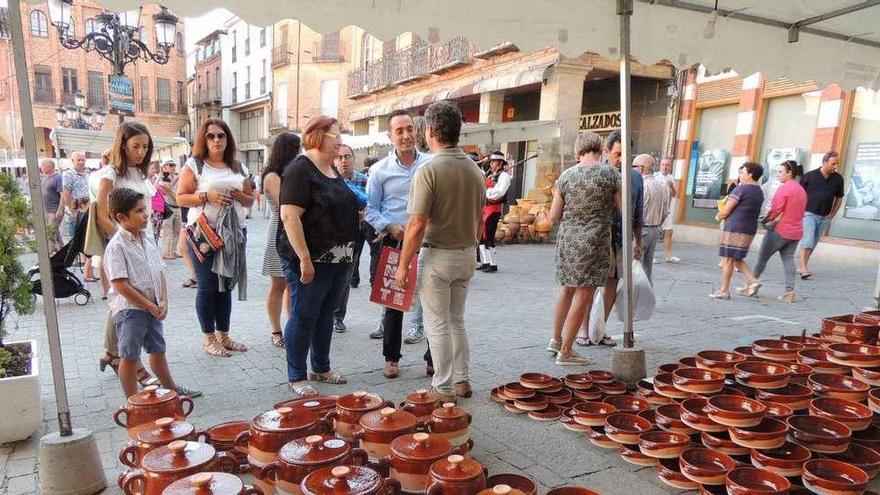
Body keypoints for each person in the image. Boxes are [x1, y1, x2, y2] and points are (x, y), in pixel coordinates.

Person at [395, 100, 485, 402]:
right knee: (456, 319)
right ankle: (462, 380)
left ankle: (444, 388)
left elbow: (417, 223)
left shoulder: (429, 169)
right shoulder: (475, 169)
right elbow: (479, 220)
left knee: (437, 323)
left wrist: (402, 265)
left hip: (439, 256)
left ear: (431, 130)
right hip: (467, 254)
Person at [278, 116, 357, 397]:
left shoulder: (332, 169)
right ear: (319, 136)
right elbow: (289, 216)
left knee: (325, 314)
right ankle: (297, 375)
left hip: (338, 259)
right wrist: (304, 258)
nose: (340, 140)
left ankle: (321, 367)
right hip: (311, 259)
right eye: (336, 135)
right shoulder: (300, 169)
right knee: (304, 314)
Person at [104, 187, 201, 399]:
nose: (146, 214)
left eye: (145, 209)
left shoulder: (147, 239)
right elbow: (120, 284)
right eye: (139, 211)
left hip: (153, 308)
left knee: (158, 351)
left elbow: (159, 272)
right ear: (121, 217)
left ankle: (171, 390)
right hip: (131, 311)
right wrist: (148, 305)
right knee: (129, 357)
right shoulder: (116, 246)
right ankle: (133, 402)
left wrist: (163, 301)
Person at [176, 118, 254, 357]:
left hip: (233, 235)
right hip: (204, 235)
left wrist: (239, 195)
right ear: (204, 139)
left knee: (225, 287)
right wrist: (206, 196)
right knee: (208, 287)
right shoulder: (195, 165)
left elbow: (250, 200)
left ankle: (224, 336)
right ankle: (209, 339)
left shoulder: (239, 167)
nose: (217, 140)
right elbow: (180, 197)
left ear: (227, 139)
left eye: (221, 135)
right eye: (211, 136)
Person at [365, 110, 433, 378]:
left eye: (409, 129)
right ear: (390, 136)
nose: (406, 135)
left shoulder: (430, 164)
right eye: (399, 131)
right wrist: (389, 225)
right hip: (395, 241)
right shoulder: (379, 170)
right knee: (394, 301)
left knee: (431, 302)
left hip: (427, 242)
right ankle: (391, 358)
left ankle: (432, 357)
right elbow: (369, 209)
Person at [94, 121, 160, 386]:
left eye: (145, 146)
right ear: (122, 144)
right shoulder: (110, 174)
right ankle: (125, 360)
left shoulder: (140, 174)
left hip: (145, 244)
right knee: (125, 304)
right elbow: (102, 214)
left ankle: (113, 354)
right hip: (123, 247)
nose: (141, 151)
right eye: (136, 146)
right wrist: (125, 239)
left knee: (133, 303)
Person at [548, 132, 621, 365]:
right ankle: (566, 352)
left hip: (568, 240)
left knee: (566, 289)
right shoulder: (610, 174)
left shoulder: (566, 175)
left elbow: (554, 216)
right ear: (600, 149)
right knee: (584, 293)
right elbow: (624, 209)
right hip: (595, 240)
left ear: (578, 150)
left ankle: (556, 340)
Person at [582, 130, 642, 348]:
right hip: (597, 238)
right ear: (606, 151)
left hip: (620, 239)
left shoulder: (635, 177)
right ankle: (583, 331)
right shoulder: (596, 174)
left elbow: (637, 211)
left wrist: (638, 242)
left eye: (627, 154)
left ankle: (599, 328)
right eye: (618, 154)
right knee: (588, 286)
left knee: (612, 285)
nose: (622, 159)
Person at [261, 132, 301, 348]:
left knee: (291, 283)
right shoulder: (272, 176)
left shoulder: (291, 173)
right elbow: (286, 202)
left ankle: (291, 325)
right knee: (278, 284)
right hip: (279, 233)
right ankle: (276, 330)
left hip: (292, 233)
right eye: (297, 150)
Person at [748, 160, 807, 303]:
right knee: (788, 260)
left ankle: (751, 286)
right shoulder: (801, 190)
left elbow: (776, 209)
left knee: (762, 259)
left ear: (790, 173)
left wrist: (764, 220)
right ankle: (789, 292)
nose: (779, 175)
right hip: (796, 231)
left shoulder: (785, 188)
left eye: (781, 172)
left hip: (780, 230)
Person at [711, 162, 765, 300]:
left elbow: (727, 209)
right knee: (737, 258)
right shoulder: (759, 191)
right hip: (749, 228)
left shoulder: (741, 189)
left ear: (750, 174)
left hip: (735, 227)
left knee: (728, 259)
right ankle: (753, 281)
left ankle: (724, 290)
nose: (740, 175)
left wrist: (719, 215)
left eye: (742, 172)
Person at [333, 143, 368, 333]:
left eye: (347, 156)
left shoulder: (363, 180)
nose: (344, 161)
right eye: (339, 157)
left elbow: (372, 204)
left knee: (346, 277)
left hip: (356, 234)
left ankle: (338, 317)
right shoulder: (330, 179)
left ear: (353, 159)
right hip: (332, 235)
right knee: (332, 276)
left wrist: (364, 214)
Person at [798, 151, 845, 280]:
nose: (835, 166)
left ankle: (803, 266)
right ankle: (803, 268)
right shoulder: (809, 176)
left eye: (837, 163)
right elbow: (799, 195)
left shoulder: (838, 179)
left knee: (813, 243)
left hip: (825, 216)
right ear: (824, 162)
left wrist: (833, 213)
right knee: (807, 240)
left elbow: (839, 197)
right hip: (808, 214)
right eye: (833, 163)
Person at [637, 154, 670, 283]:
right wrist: (658, 224)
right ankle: (646, 298)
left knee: (636, 267)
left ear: (640, 168)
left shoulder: (643, 186)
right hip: (655, 229)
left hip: (642, 230)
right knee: (647, 267)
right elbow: (666, 211)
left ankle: (636, 299)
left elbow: (637, 212)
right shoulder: (661, 186)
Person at [61, 151, 93, 278]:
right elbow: (66, 193)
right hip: (76, 211)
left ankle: (86, 267)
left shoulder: (86, 174)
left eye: (83, 160)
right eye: (78, 160)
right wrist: (73, 211)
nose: (81, 162)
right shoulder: (68, 174)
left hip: (86, 210)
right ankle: (68, 265)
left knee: (85, 237)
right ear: (72, 161)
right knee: (75, 239)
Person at [478, 151, 511, 273]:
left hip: (493, 208)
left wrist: (486, 190)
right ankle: (485, 262)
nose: (491, 164)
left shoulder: (504, 176)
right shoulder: (490, 174)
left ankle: (493, 263)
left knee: (489, 237)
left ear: (501, 163)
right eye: (491, 161)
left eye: (494, 161)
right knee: (481, 236)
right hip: (485, 208)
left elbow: (499, 192)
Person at [655, 157, 680, 262]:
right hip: (656, 209)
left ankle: (668, 256)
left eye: (667, 165)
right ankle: (649, 256)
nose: (665, 167)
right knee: (653, 233)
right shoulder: (656, 177)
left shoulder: (671, 177)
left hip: (667, 209)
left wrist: (672, 187)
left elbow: (674, 195)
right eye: (663, 164)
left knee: (669, 231)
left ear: (670, 166)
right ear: (660, 165)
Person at [157, 160, 181, 259]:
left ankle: (173, 251)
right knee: (167, 231)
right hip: (168, 207)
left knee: (177, 231)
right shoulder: (161, 179)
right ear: (164, 167)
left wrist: (170, 190)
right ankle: (166, 253)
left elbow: (178, 196)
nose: (172, 167)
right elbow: (162, 191)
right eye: (170, 165)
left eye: (174, 165)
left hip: (178, 207)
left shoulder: (177, 178)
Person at [39, 158, 64, 253]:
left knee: (51, 232)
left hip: (54, 210)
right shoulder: (45, 178)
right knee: (54, 232)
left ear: (49, 167)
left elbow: (63, 195)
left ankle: (50, 253)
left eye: (42, 166)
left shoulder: (58, 178)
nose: (41, 168)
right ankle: (60, 251)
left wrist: (60, 210)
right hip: (46, 211)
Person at [147, 162, 166, 241]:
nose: (154, 170)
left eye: (154, 168)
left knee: (157, 231)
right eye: (152, 168)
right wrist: (157, 180)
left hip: (160, 208)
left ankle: (155, 247)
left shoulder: (156, 179)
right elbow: (151, 191)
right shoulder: (146, 180)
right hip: (153, 209)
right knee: (152, 232)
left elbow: (164, 192)